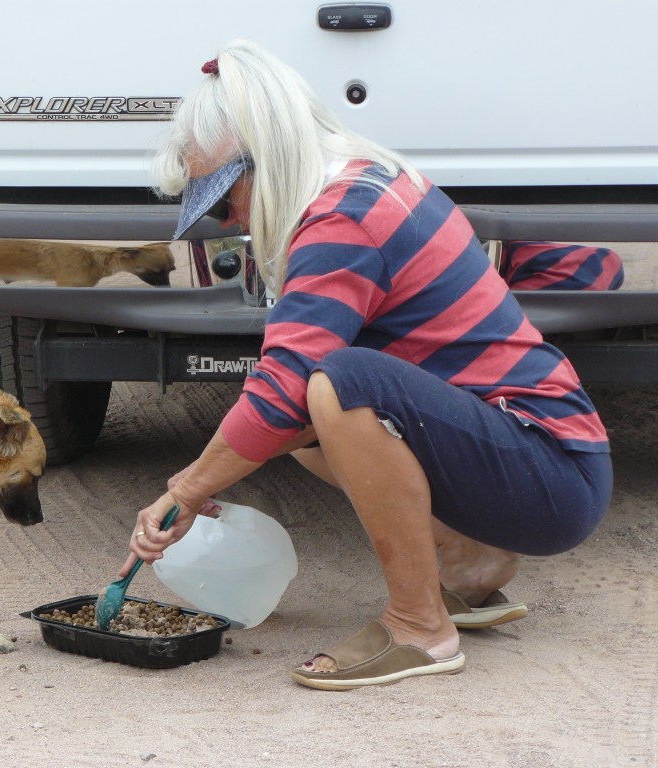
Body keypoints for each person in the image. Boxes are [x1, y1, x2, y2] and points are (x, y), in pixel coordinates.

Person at [119, 40, 613, 690]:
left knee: (335, 387)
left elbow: (285, 389)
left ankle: (419, 627)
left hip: (550, 476)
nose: (227, 221)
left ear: (267, 156)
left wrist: (186, 491)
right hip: (541, 458)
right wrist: (205, 474)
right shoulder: (367, 178)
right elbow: (276, 405)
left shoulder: (342, 224)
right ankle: (469, 563)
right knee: (297, 413)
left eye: (222, 199)